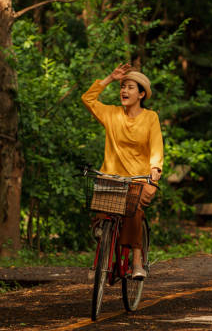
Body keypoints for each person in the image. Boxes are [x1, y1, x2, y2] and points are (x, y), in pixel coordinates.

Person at [81, 63, 164, 279]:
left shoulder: (150, 117)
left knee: (135, 213)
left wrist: (154, 173)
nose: (124, 91)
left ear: (141, 94)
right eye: (122, 87)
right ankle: (101, 257)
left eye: (130, 87)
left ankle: (137, 262)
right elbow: (87, 99)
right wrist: (109, 78)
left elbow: (156, 148)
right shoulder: (112, 114)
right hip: (111, 177)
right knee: (102, 215)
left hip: (137, 179)